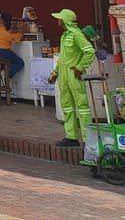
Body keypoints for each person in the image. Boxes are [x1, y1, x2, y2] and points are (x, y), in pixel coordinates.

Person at [48, 8, 96, 146]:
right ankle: (71, 136)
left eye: (59, 19)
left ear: (65, 21)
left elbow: (89, 51)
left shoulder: (76, 34)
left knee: (82, 106)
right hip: (63, 74)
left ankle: (88, 138)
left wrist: (80, 68)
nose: (57, 21)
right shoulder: (64, 36)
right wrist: (55, 72)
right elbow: (63, 58)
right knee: (67, 106)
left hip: (73, 73)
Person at [0, 13, 24, 78]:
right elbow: (21, 38)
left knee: (4, 61)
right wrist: (21, 29)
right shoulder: (7, 32)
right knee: (19, 62)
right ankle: (8, 75)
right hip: (0, 51)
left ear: (0, 20)